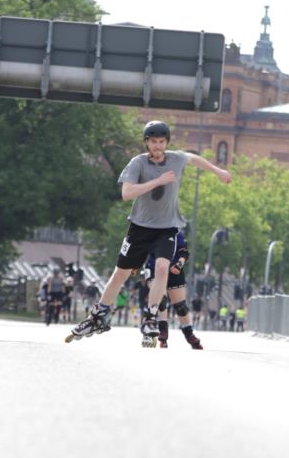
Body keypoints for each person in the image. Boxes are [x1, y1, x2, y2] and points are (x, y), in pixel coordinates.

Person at [68, 119, 231, 343]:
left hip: (167, 228)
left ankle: (150, 316)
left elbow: (194, 158)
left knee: (162, 268)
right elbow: (127, 193)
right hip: (140, 228)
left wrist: (217, 170)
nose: (157, 145)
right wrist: (157, 181)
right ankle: (99, 315)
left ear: (166, 142)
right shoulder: (138, 163)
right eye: (153, 142)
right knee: (120, 274)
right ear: (146, 143)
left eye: (161, 141)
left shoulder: (175, 158)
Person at [146, 229, 202, 349]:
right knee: (160, 299)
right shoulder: (149, 228)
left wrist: (179, 265)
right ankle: (160, 333)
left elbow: (184, 252)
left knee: (181, 306)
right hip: (154, 267)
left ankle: (189, 334)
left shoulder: (177, 232)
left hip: (173, 269)